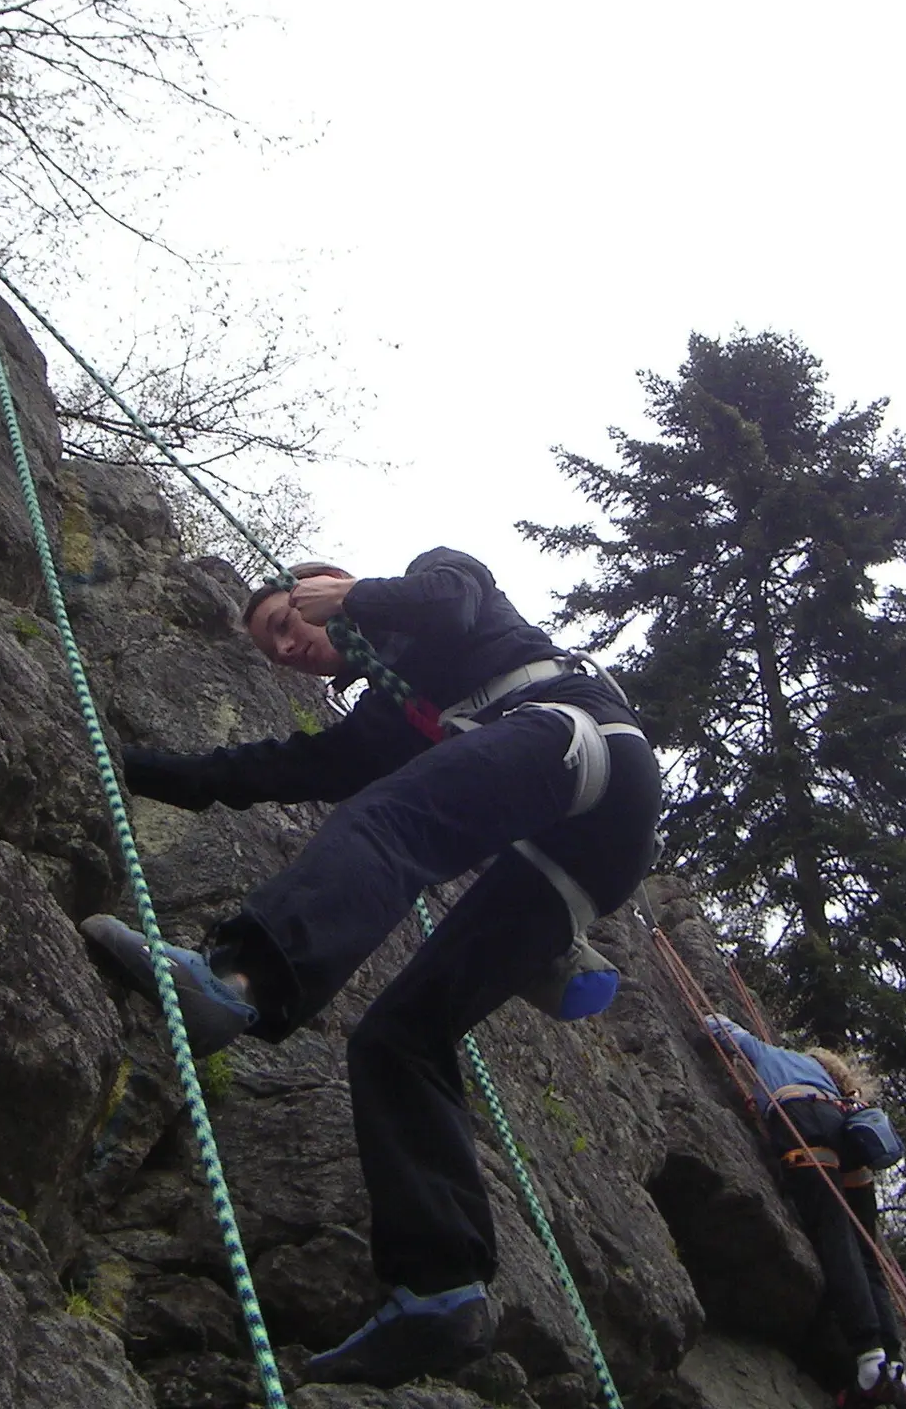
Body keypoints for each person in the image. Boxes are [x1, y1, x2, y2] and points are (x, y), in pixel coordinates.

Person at [84, 549, 663, 1387]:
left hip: (576, 734)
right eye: (269, 646)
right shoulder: (392, 718)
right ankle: (441, 1289)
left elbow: (458, 598)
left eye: (284, 622)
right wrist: (131, 766)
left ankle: (238, 982)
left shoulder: (430, 594)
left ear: (316, 589)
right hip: (586, 852)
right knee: (400, 1041)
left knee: (392, 822)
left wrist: (356, 596)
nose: (283, 647)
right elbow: (286, 767)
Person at [703, 1015, 906, 1409]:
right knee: (868, 1257)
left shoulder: (777, 1054)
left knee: (836, 1236)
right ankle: (895, 1363)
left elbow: (719, 1028)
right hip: (847, 1135)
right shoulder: (835, 1087)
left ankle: (869, 1358)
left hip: (806, 1125)